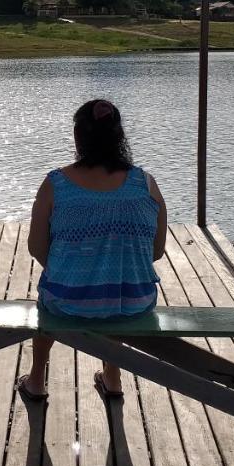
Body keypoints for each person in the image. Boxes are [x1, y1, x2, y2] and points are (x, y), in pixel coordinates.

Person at [17, 98, 167, 400]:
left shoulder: (56, 184)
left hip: (67, 299)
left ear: (77, 138)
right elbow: (157, 251)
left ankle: (36, 381)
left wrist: (71, 271)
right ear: (120, 136)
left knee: (50, 298)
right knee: (114, 293)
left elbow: (36, 247)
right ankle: (112, 377)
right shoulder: (145, 183)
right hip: (135, 300)